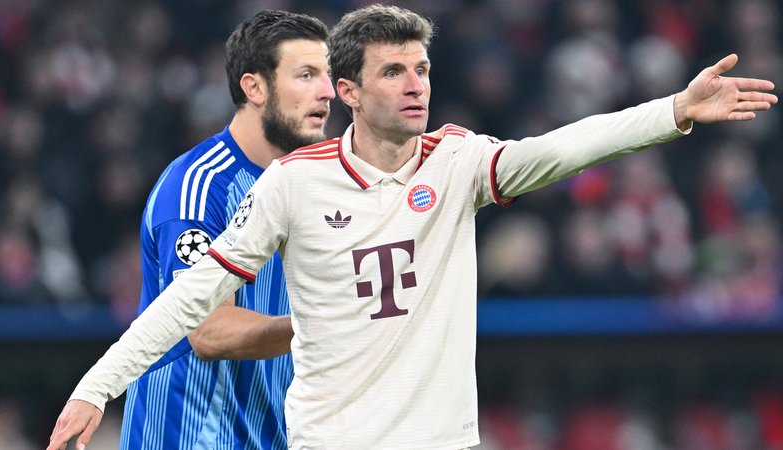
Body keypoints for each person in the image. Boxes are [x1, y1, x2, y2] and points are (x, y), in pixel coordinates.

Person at [48, 4, 777, 450]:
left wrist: (672, 112)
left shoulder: (456, 163)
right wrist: (96, 387)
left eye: (421, 68)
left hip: (442, 442)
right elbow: (191, 301)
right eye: (393, 71)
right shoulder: (294, 184)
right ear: (350, 91)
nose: (415, 84)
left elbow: (558, 151)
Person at [59, 10, 334, 450]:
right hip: (190, 437)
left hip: (275, 436)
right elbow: (208, 331)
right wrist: (329, 325)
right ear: (255, 87)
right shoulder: (199, 187)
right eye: (306, 75)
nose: (328, 92)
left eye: (328, 75)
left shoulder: (313, 185)